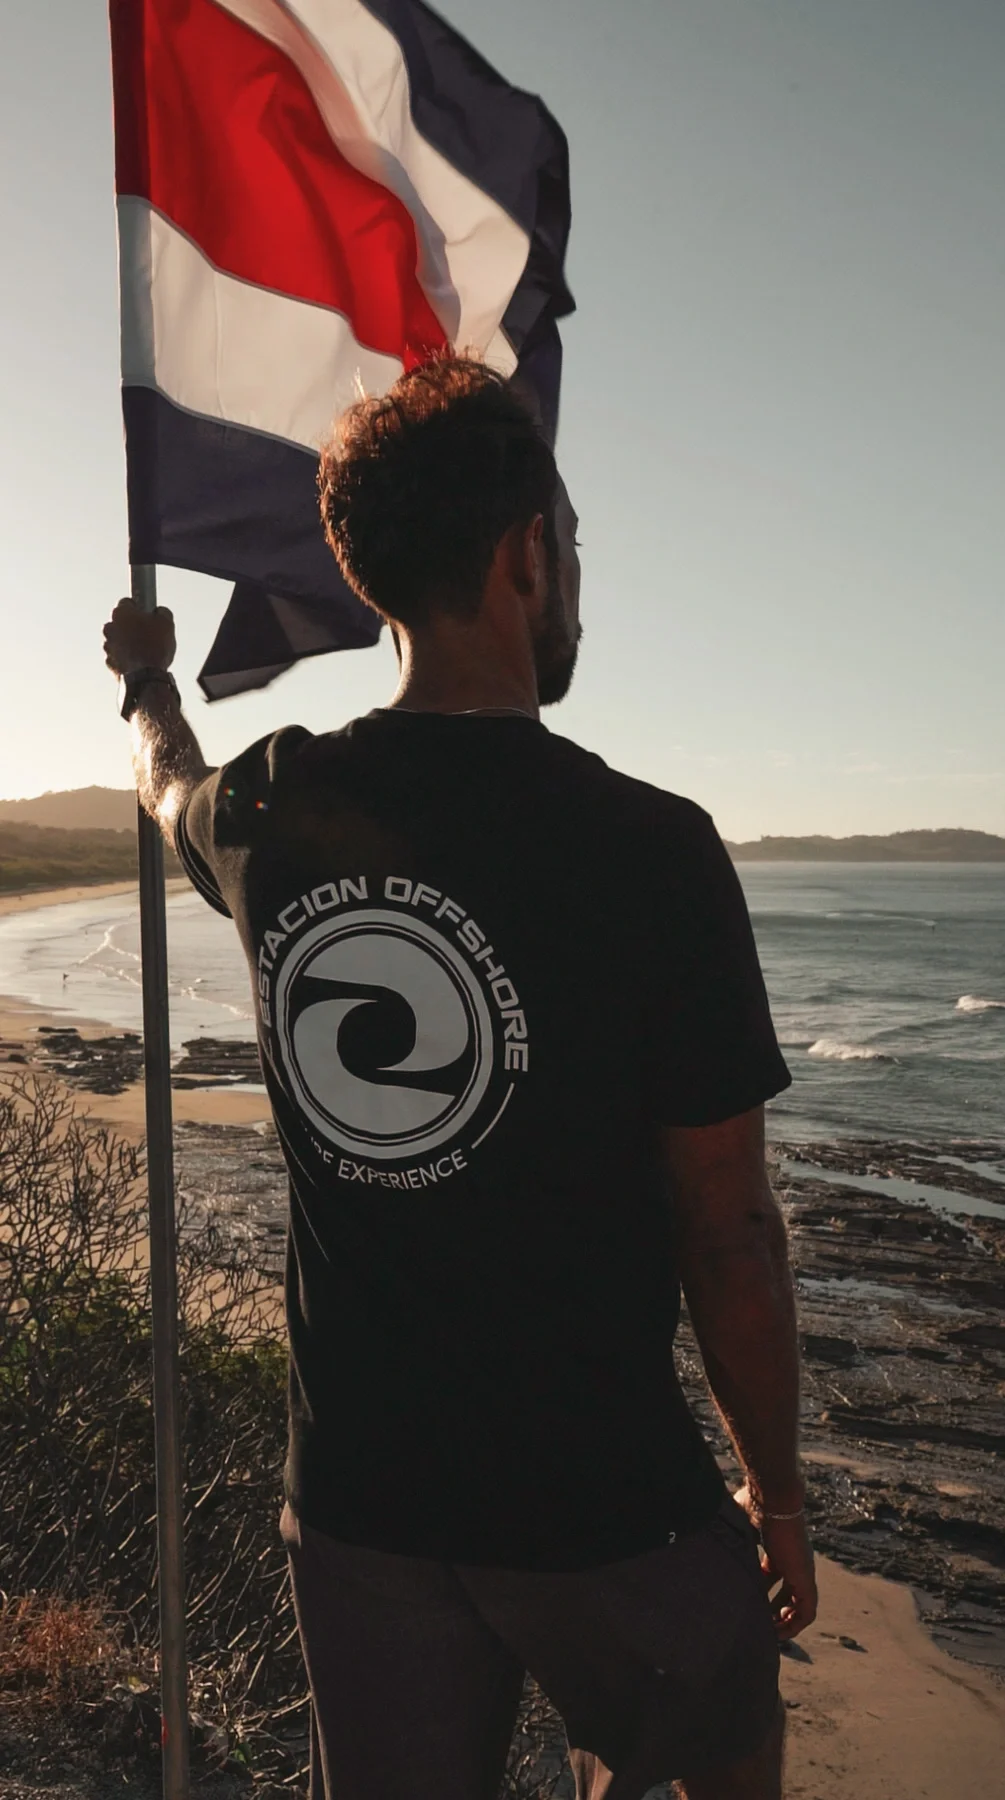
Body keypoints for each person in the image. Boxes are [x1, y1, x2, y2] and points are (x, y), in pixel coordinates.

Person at [103, 356, 815, 1800]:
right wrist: (780, 1491)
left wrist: (145, 685)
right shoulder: (651, 849)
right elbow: (726, 1228)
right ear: (523, 555)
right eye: (569, 550)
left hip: (363, 1514)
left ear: (374, 581)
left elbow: (167, 784)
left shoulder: (271, 808)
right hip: (611, 1511)